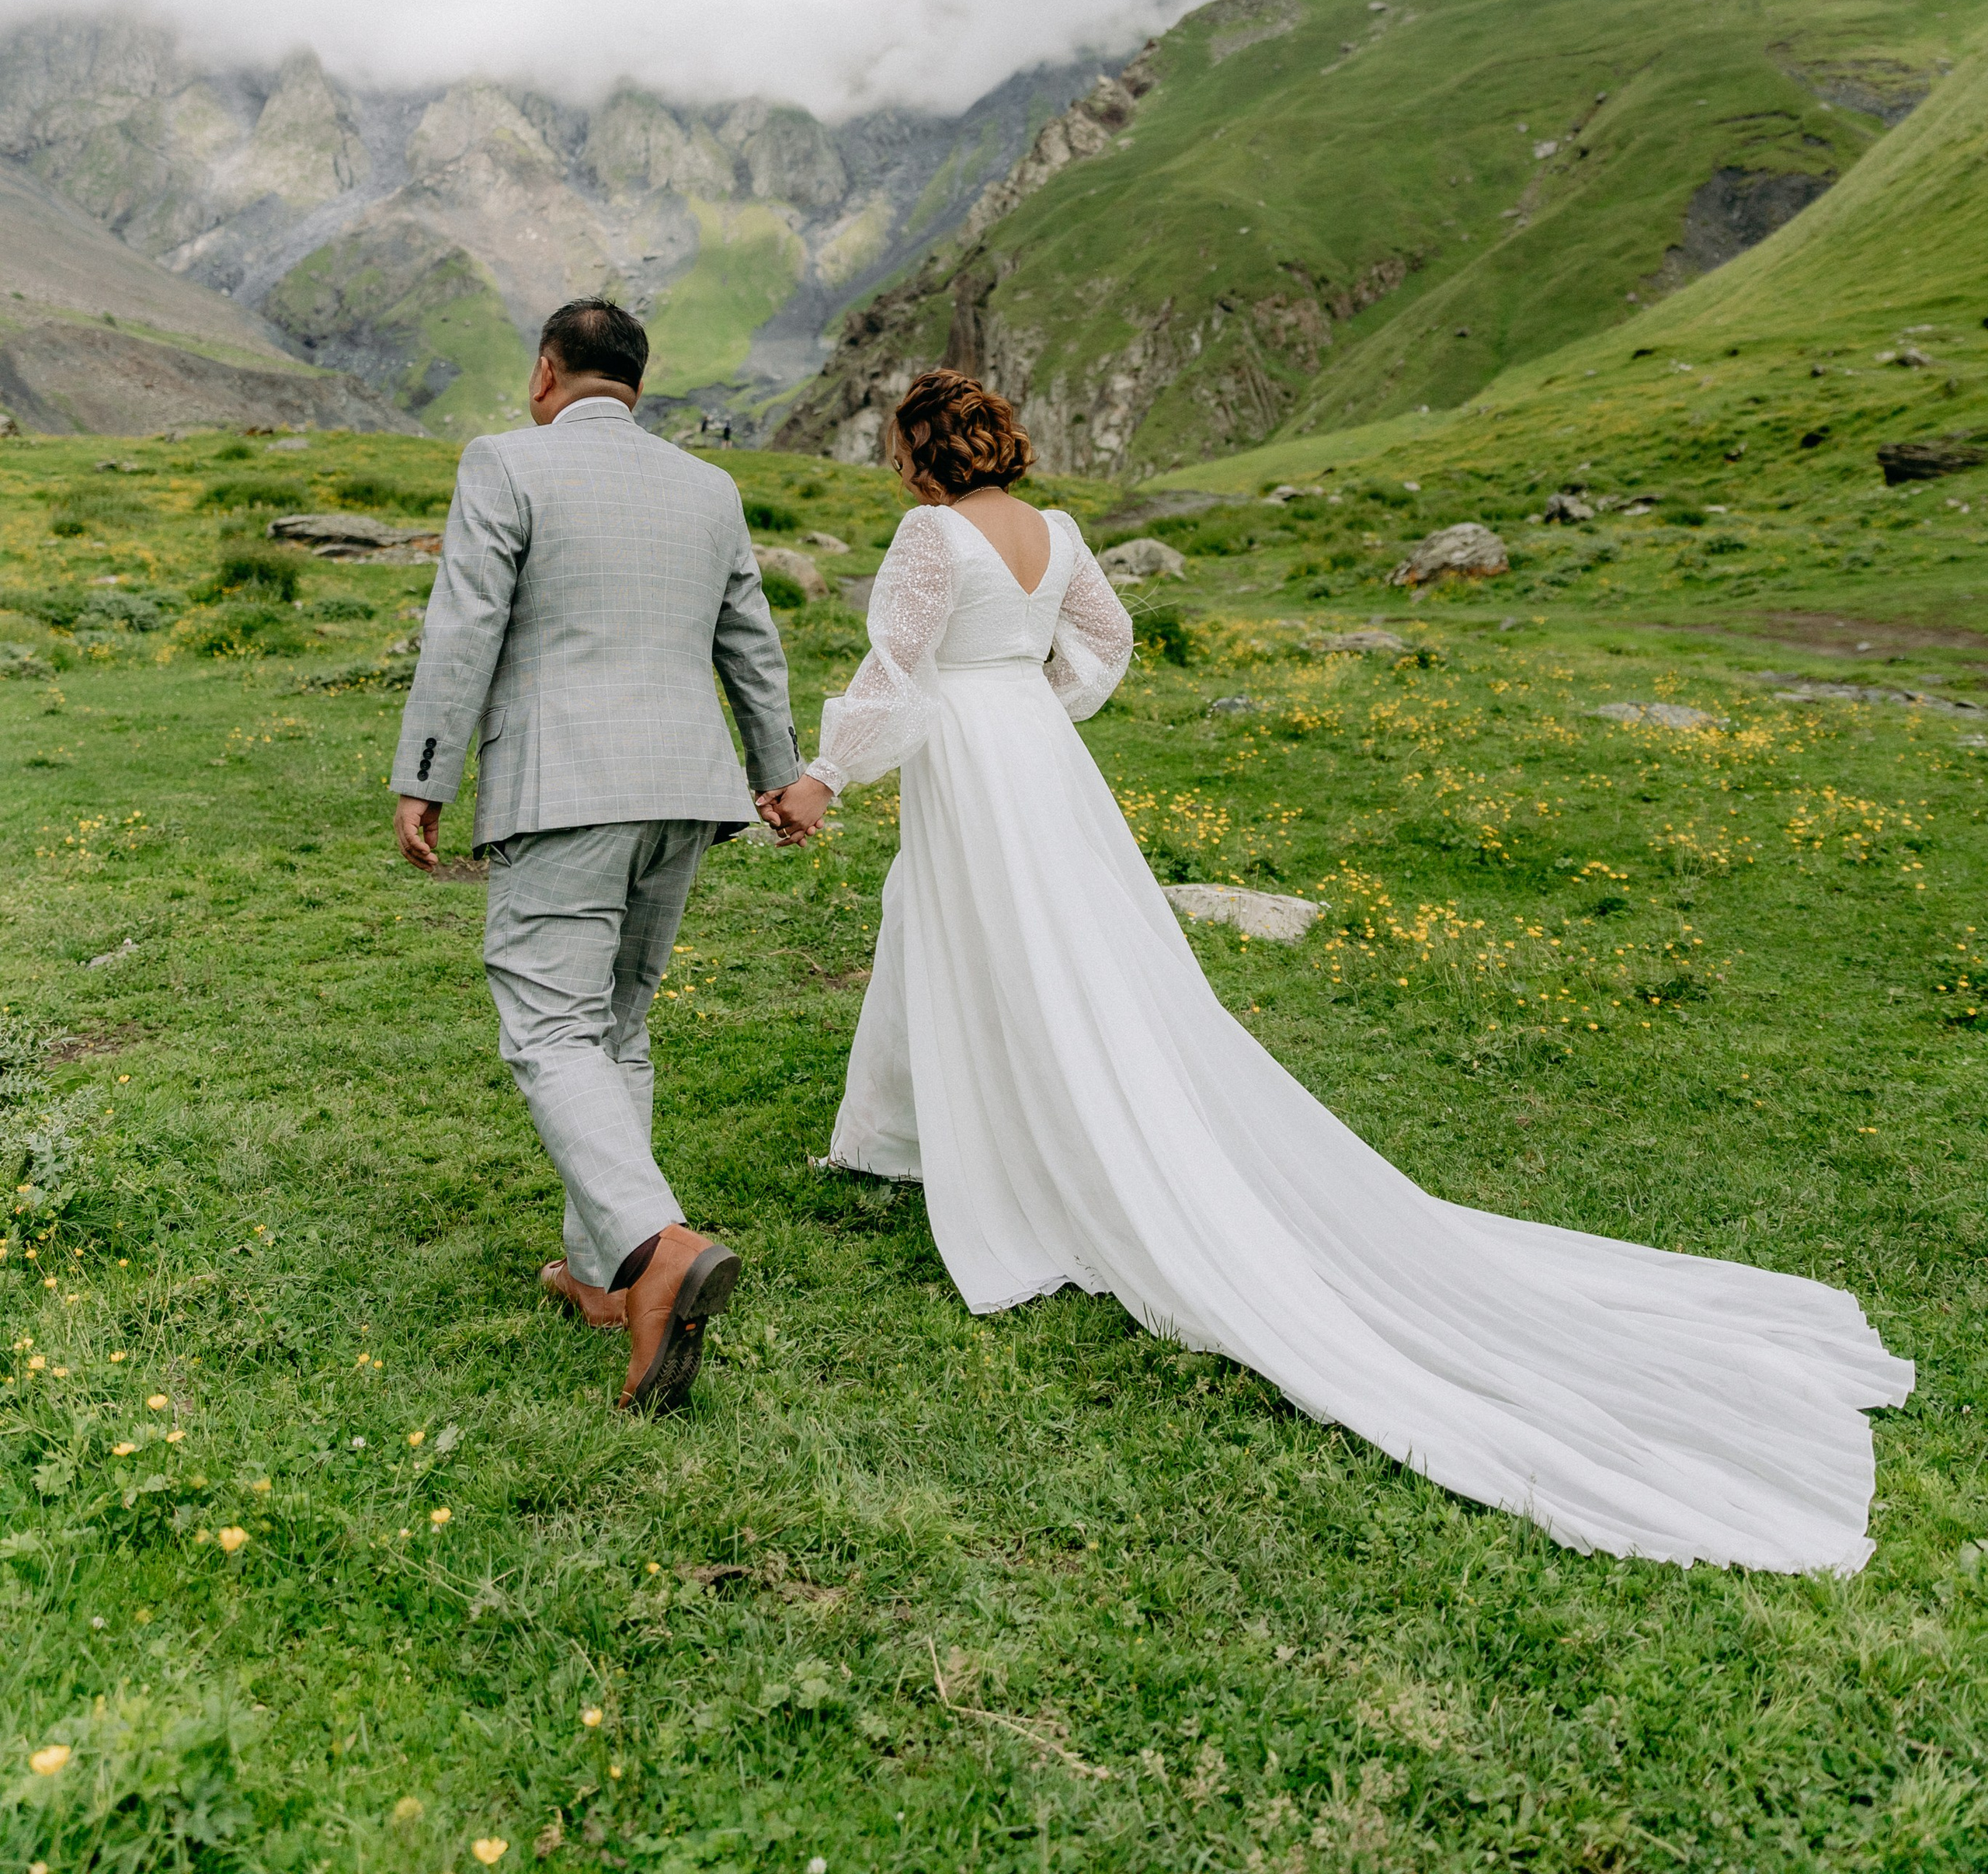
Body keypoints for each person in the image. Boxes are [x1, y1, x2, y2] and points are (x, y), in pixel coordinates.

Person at [763, 368, 1913, 1572]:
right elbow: (1108, 638)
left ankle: (1013, 1144)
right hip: (1038, 755)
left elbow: (896, 671)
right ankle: (892, 1132)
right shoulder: (1054, 534)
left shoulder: (929, 534)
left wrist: (824, 777)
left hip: (972, 750)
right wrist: (1034, 701)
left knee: (988, 936)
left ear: (917, 454)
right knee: (1024, 938)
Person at [391, 297, 813, 1415]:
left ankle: (651, 1252)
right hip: (688, 787)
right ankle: (593, 1277)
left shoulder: (505, 462)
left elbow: (464, 624)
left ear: (545, 373)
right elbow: (751, 643)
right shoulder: (707, 487)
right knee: (616, 1024)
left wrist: (426, 772)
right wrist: (774, 770)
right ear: (638, 381)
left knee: (546, 1026)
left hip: (566, 787)